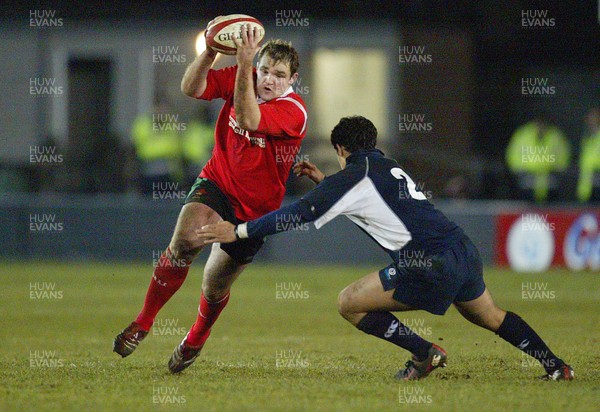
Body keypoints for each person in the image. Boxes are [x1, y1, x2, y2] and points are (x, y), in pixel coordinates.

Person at [198, 116, 574, 381]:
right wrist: (325, 182)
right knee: (490, 316)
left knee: (349, 302)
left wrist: (240, 231)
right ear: (372, 144)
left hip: (428, 262)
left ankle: (424, 351)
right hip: (461, 248)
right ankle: (556, 364)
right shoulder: (387, 166)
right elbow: (367, 201)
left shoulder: (353, 175)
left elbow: (299, 214)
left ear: (340, 148)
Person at [113, 22, 308, 374]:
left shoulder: (294, 111)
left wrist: (246, 65)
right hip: (217, 180)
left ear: (292, 79)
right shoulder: (243, 73)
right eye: (264, 70)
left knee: (214, 286)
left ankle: (195, 339)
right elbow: (191, 87)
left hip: (254, 210)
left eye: (279, 75)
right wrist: (210, 52)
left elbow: (249, 119)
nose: (268, 79)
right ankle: (143, 322)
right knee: (184, 241)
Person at [505, 118, 571, 202]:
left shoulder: (555, 136)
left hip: (550, 180)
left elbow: (563, 157)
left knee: (549, 209)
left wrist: (556, 170)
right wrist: (520, 171)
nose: (540, 127)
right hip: (527, 179)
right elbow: (513, 155)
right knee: (527, 209)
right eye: (538, 124)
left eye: (542, 124)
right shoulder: (523, 135)